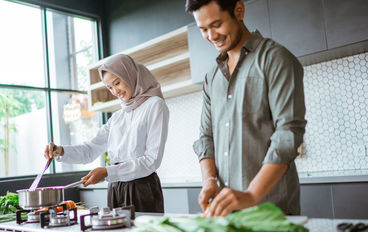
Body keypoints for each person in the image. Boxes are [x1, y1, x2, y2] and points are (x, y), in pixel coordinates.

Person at [186, 0, 307, 216]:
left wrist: (251, 195)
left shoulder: (276, 59)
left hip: (271, 210)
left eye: (216, 24)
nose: (211, 36)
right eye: (203, 29)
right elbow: (206, 137)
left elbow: (288, 135)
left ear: (239, 11)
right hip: (226, 213)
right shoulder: (211, 77)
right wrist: (209, 180)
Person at [44, 54, 169, 212]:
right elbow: (90, 150)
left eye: (117, 83)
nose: (115, 91)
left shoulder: (155, 105)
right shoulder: (118, 117)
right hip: (115, 188)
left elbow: (151, 161)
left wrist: (107, 171)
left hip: (142, 189)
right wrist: (60, 151)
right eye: (110, 87)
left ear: (131, 75)